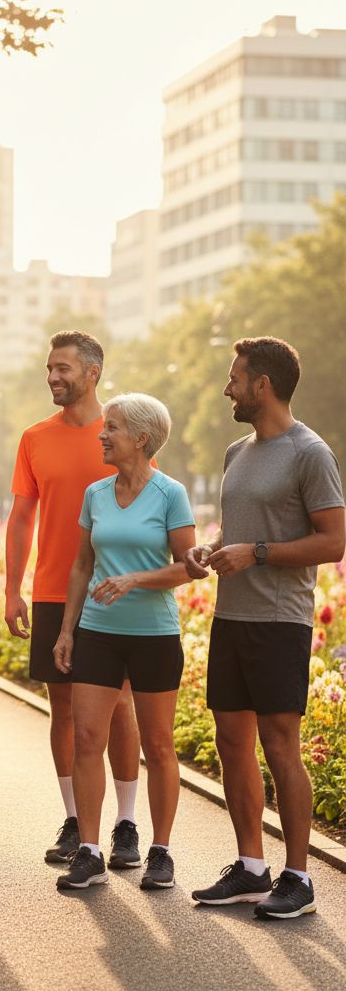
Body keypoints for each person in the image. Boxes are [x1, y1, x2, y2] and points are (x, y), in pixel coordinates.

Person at [187, 338, 344, 919]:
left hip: (281, 620)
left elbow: (333, 541)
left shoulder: (311, 453)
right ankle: (252, 868)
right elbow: (243, 529)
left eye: (235, 378)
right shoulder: (236, 452)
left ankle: (298, 878)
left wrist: (254, 553)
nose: (228, 387)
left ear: (263, 385)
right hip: (231, 615)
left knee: (280, 746)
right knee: (232, 743)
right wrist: (216, 549)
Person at [5, 331, 143, 867]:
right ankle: (74, 821)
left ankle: (126, 824)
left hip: (115, 591)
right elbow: (20, 517)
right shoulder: (34, 437)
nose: (53, 377)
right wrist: (13, 588)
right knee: (61, 707)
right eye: (49, 368)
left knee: (121, 705)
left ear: (93, 373)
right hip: (53, 591)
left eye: (63, 368)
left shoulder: (125, 430)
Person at [52, 394, 196, 891]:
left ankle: (160, 851)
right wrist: (67, 630)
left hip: (154, 635)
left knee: (157, 745)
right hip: (98, 633)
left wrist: (136, 579)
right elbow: (82, 566)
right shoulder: (96, 494)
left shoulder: (170, 493)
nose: (101, 434)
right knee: (87, 738)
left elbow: (188, 568)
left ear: (140, 437)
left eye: (111, 427)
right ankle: (90, 852)